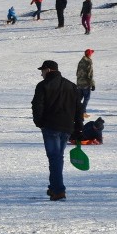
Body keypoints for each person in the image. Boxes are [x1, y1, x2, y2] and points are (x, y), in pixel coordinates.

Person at [31, 60, 82, 201]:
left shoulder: (43, 85)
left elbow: (37, 105)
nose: (41, 74)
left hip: (50, 126)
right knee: (57, 158)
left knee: (55, 158)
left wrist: (39, 122)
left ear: (48, 70)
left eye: (42, 71)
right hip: (66, 127)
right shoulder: (71, 86)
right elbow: (79, 109)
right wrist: (78, 128)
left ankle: (59, 190)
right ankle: (54, 187)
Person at [76, 49, 95, 119]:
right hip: (85, 84)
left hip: (79, 83)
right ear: (90, 54)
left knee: (79, 98)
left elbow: (77, 72)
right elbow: (90, 74)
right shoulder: (89, 62)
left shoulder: (81, 61)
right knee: (86, 98)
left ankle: (75, 111)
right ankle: (83, 112)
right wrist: (92, 84)